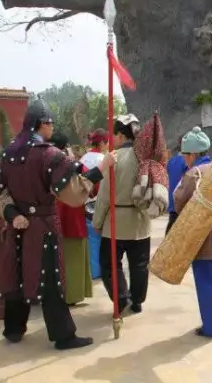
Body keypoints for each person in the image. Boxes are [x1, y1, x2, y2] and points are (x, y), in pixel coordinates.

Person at [0, 100, 116, 350]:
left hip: (17, 226)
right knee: (49, 280)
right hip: (43, 226)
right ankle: (63, 336)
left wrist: (14, 214)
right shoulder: (49, 154)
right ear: (42, 124)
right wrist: (102, 167)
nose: (52, 128)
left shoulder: (9, 152)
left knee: (17, 275)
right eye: (50, 123)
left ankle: (13, 329)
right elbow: (74, 194)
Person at [174, 126, 212, 338]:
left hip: (205, 238)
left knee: (209, 283)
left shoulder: (193, 175)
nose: (184, 159)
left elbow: (180, 202)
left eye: (185, 155)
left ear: (192, 154)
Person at [94, 114, 151, 314]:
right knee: (140, 264)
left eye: (114, 134)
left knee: (109, 264)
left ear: (120, 135)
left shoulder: (114, 158)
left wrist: (97, 220)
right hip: (141, 220)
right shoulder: (146, 157)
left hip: (115, 222)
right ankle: (137, 300)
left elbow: (103, 196)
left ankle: (120, 297)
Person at [50, 132, 94, 306]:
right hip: (73, 218)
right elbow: (93, 187)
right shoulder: (76, 166)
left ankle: (56, 295)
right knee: (74, 260)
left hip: (50, 220)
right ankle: (73, 295)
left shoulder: (43, 165)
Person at [80, 129, 108, 280]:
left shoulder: (83, 159)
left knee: (92, 241)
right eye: (106, 141)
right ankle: (102, 271)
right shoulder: (103, 159)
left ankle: (94, 271)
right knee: (103, 239)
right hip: (100, 203)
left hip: (85, 204)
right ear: (102, 142)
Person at [166, 135, 187, 235]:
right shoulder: (187, 163)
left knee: (171, 227)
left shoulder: (171, 161)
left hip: (172, 201)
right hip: (182, 202)